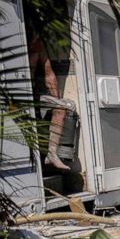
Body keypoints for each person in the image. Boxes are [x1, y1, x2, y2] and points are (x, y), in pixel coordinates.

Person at [27, 31, 72, 171]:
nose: (36, 38)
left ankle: (52, 154)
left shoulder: (39, 47)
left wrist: (56, 100)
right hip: (15, 95)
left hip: (33, 92)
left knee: (61, 108)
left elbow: (49, 74)